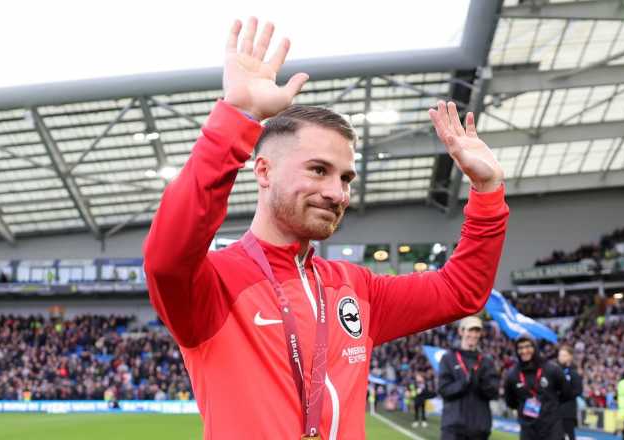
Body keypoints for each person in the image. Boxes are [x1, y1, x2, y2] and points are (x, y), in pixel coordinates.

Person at [143, 18, 509, 440]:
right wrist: (236, 119)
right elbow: (167, 256)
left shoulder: (357, 289)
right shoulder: (211, 286)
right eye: (318, 170)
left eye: (346, 178)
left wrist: (486, 190)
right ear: (263, 171)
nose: (337, 193)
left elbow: (461, 291)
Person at [437, 316, 500, 439]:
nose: (473, 334)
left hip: (479, 429)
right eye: (470, 330)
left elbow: (494, 393)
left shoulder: (487, 362)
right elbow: (444, 390)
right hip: (453, 429)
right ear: (461, 331)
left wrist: (482, 383)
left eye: (477, 331)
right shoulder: (448, 359)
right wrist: (464, 383)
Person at [503, 336, 569, 440]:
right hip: (528, 430)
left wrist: (549, 406)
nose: (524, 351)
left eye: (528, 346)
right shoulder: (512, 375)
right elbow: (510, 402)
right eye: (520, 348)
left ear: (535, 347)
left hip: (552, 429)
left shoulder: (552, 369)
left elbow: (566, 393)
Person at [556, 345, 583, 440]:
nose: (560, 357)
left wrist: (564, 394)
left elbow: (578, 391)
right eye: (560, 355)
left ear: (570, 357)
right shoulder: (556, 370)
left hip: (568, 411)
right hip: (555, 410)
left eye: (563, 355)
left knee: (570, 435)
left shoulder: (574, 373)